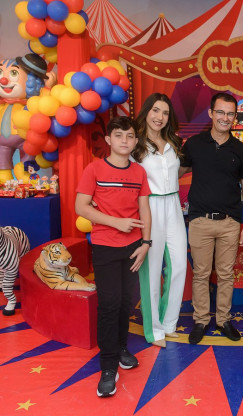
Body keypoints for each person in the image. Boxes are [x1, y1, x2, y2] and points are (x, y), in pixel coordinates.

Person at [75, 116, 151, 397]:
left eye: (129, 136)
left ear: (135, 140)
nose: (124, 141)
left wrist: (146, 243)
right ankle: (108, 366)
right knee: (109, 305)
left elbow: (145, 209)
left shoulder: (139, 172)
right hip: (105, 246)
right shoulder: (94, 169)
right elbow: (81, 207)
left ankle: (120, 348)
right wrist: (115, 222)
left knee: (125, 302)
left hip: (133, 248)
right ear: (108, 139)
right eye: (119, 135)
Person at [179, 92, 243, 345]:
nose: (225, 118)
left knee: (226, 274)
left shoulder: (240, 149)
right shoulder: (194, 144)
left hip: (230, 222)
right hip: (199, 220)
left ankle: (223, 320)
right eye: (220, 112)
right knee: (200, 274)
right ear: (211, 113)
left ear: (235, 117)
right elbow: (174, 173)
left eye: (230, 114)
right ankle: (200, 320)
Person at [132, 93, 187, 348]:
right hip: (149, 205)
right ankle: (153, 330)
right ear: (146, 112)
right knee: (152, 270)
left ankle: (168, 323)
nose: (160, 117)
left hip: (173, 204)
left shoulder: (174, 142)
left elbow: (179, 171)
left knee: (179, 265)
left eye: (165, 113)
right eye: (155, 110)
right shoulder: (135, 144)